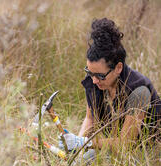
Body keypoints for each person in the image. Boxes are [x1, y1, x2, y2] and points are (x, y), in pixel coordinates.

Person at [59, 18, 161, 153]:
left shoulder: (139, 91)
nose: (94, 80)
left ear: (118, 68)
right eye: (89, 72)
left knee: (92, 157)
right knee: (82, 159)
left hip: (147, 153)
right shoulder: (94, 79)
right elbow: (90, 118)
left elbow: (125, 145)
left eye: (100, 76)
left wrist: (84, 143)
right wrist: (75, 144)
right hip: (114, 146)